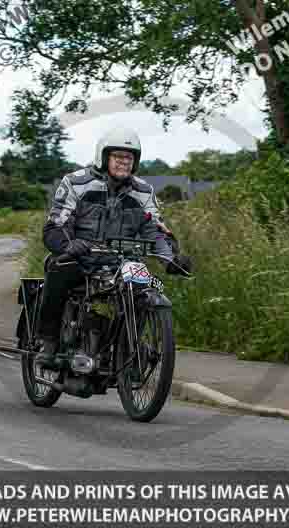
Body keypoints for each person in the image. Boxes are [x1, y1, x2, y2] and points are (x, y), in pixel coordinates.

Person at [36, 126, 193, 368]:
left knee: (143, 286)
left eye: (129, 158)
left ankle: (125, 346)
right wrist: (70, 244)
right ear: (104, 157)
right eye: (118, 157)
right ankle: (48, 342)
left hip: (121, 263)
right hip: (80, 258)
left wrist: (169, 258)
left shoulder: (143, 192)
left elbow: (155, 230)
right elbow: (56, 224)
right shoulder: (76, 183)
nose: (124, 163)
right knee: (60, 267)